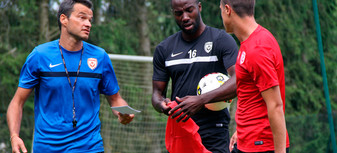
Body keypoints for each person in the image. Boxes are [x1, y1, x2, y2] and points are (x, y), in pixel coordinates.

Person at [6, 0, 134, 152]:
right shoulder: (40, 55)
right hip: (47, 147)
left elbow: (115, 99)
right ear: (63, 19)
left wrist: (123, 112)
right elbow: (17, 102)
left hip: (89, 146)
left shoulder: (100, 57)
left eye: (90, 20)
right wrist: (14, 136)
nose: (88, 24)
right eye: (82, 17)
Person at [152, 0, 238, 152]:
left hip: (215, 132)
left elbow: (239, 80)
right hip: (181, 130)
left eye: (189, 10)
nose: (184, 17)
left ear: (199, 7)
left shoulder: (221, 40)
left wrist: (201, 100)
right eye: (179, 13)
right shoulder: (164, 49)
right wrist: (162, 105)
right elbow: (157, 94)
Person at [219, 0, 290, 153]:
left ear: (227, 10)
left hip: (261, 146)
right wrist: (242, 132)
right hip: (248, 141)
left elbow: (275, 106)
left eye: (220, 10)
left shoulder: (257, 49)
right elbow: (252, 95)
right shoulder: (250, 42)